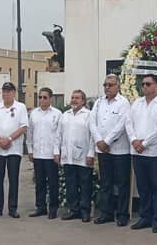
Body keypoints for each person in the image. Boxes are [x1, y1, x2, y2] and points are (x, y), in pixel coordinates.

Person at [125, 74, 157, 233]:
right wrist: (134, 140)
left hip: (156, 154)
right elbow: (128, 123)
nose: (144, 87)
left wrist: (144, 143)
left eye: (148, 84)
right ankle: (145, 217)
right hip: (137, 152)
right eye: (142, 84)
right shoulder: (137, 103)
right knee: (143, 187)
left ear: (156, 85)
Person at [90, 74, 131, 226]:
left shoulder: (123, 102)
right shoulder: (99, 102)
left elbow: (121, 125)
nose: (107, 87)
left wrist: (106, 141)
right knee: (106, 183)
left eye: (110, 85)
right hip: (102, 150)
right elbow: (92, 123)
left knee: (121, 184)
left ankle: (122, 214)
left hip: (119, 150)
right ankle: (106, 213)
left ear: (118, 86)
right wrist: (99, 141)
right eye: (105, 85)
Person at [0, 81, 28, 219]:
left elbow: (23, 127)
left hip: (13, 149)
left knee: (13, 179)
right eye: (4, 91)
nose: (6, 93)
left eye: (9, 91)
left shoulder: (20, 107)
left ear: (14, 93)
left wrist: (9, 139)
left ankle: (12, 208)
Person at [55, 89, 95, 223]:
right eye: (72, 97)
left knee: (85, 185)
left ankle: (85, 212)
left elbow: (92, 137)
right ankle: (73, 210)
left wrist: (91, 154)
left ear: (83, 101)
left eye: (77, 98)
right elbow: (58, 135)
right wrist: (57, 152)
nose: (74, 100)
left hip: (83, 157)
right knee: (71, 185)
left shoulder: (89, 115)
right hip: (68, 156)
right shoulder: (65, 115)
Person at [26, 87, 61, 219]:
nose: (42, 100)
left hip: (51, 154)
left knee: (53, 183)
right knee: (39, 182)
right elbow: (29, 134)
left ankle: (53, 208)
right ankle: (40, 207)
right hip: (38, 154)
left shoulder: (57, 114)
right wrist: (30, 150)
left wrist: (57, 152)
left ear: (50, 99)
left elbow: (59, 135)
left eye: (45, 97)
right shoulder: (34, 114)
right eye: (40, 97)